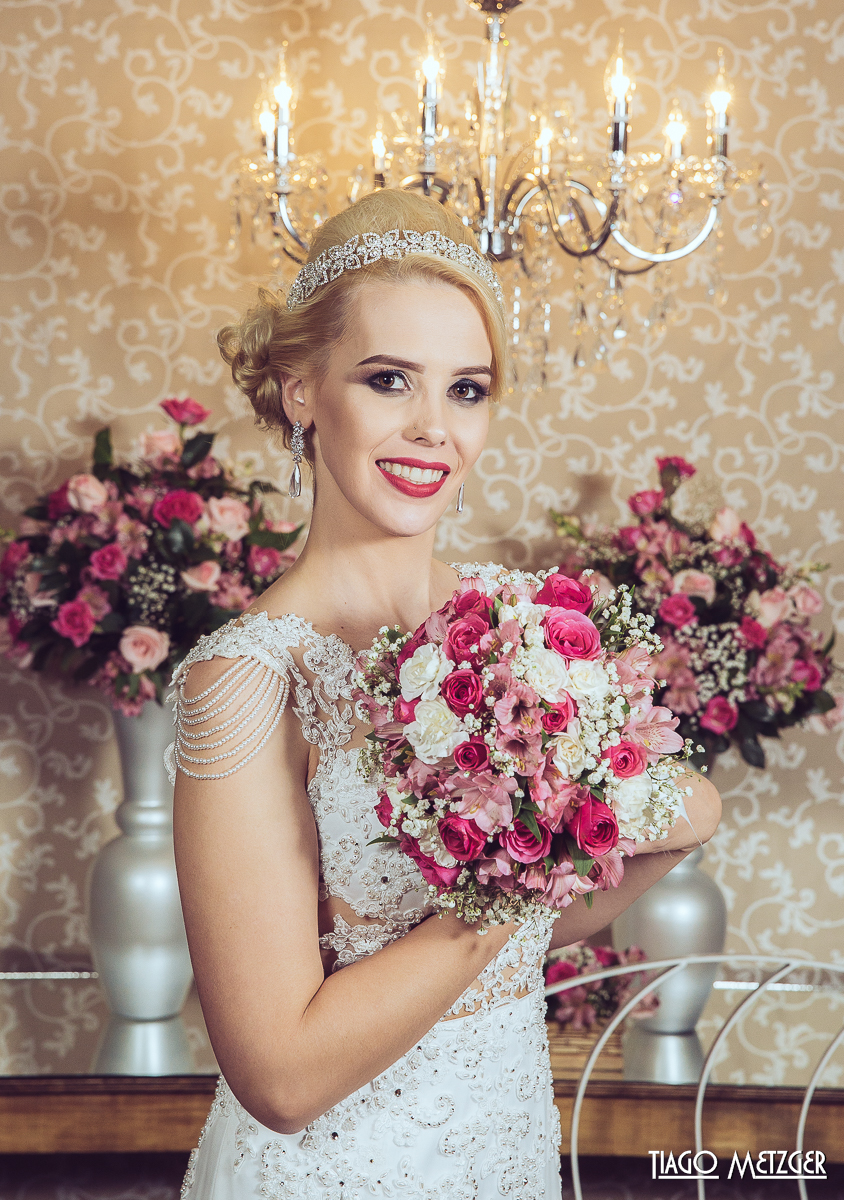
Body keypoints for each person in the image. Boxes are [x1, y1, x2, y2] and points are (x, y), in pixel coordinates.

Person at [169, 189, 721, 1199]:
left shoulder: (520, 627)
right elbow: (280, 1078)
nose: (433, 429)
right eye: (389, 380)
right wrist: (521, 863)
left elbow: (510, 942)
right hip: (328, 1173)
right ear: (300, 391)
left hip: (503, 1152)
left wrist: (646, 822)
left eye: (467, 390)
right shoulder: (246, 680)